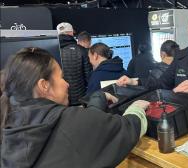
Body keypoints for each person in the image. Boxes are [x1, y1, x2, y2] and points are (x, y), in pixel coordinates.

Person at [0, 47, 149, 168]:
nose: (67, 83)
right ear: (44, 85)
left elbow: (87, 124)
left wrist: (99, 98)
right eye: (61, 77)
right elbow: (125, 128)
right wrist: (136, 110)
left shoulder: (11, 120)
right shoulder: (69, 122)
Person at [57, 22, 90, 106]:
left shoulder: (52, 50)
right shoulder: (82, 50)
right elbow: (88, 77)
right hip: (80, 99)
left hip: (60, 100)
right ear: (71, 33)